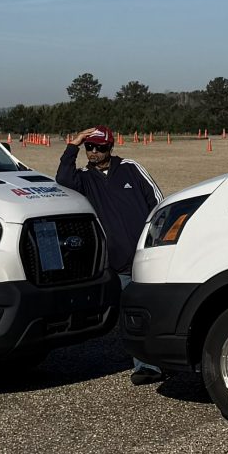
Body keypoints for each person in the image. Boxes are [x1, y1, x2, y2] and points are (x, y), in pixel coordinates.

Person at [57, 126, 162, 380]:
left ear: (110, 147)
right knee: (130, 312)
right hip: (117, 262)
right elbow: (63, 179)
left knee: (157, 308)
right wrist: (74, 143)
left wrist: (157, 239)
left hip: (146, 255)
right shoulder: (83, 178)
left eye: (99, 147)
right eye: (89, 147)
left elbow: (157, 202)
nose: (93, 152)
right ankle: (146, 366)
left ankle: (171, 358)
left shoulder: (131, 168)